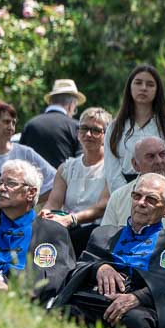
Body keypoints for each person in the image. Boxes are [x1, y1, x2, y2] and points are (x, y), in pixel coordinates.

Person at [51, 173, 165, 328]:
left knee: (136, 321)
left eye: (151, 199)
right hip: (94, 299)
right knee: (64, 313)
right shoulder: (104, 234)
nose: (141, 203)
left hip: (139, 307)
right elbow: (77, 266)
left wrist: (138, 297)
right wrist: (99, 267)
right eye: (137, 196)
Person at [0, 160, 75, 303]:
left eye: (10, 183)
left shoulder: (52, 232)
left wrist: (12, 291)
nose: (1, 188)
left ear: (31, 193)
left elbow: (55, 277)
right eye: (0, 183)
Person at [102, 136, 165, 241]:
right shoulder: (118, 197)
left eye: (162, 154)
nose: (159, 161)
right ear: (135, 164)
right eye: (150, 156)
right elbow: (105, 240)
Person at [40, 105, 111, 247]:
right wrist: (44, 215)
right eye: (84, 128)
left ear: (106, 135)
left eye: (96, 130)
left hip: (96, 236)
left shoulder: (111, 167)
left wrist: (72, 219)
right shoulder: (66, 168)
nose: (88, 134)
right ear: (78, 133)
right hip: (67, 231)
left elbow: (102, 207)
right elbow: (53, 203)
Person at [104, 65, 165, 185]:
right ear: (130, 87)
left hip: (161, 189)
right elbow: (112, 171)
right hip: (124, 190)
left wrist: (156, 190)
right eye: (138, 83)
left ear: (157, 90)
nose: (143, 88)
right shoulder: (115, 127)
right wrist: (128, 193)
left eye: (150, 84)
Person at [18, 78, 84, 169]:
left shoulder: (30, 125)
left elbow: (19, 160)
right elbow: (82, 164)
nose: (73, 112)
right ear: (71, 105)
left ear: (50, 102)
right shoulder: (76, 127)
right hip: (64, 178)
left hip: (32, 178)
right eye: (75, 109)